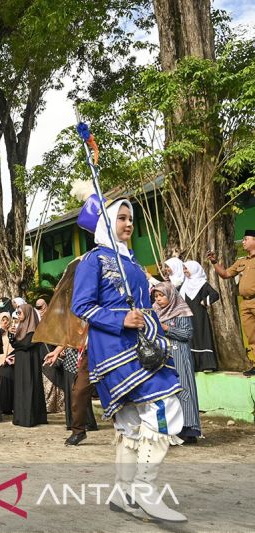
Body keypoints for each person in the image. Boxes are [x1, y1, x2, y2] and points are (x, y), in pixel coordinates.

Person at [72, 192, 186, 522]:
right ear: (107, 223)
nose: (128, 224)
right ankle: (144, 489)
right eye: (121, 218)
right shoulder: (93, 260)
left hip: (142, 344)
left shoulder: (133, 261)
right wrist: (119, 319)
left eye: (130, 219)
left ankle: (124, 494)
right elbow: (82, 306)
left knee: (131, 422)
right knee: (164, 405)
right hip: (114, 350)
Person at [152, 282, 201, 443]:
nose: (158, 299)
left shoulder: (181, 310)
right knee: (166, 393)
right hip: (162, 356)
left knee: (183, 389)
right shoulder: (155, 312)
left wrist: (166, 328)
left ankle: (188, 429)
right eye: (156, 296)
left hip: (179, 354)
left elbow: (187, 334)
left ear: (171, 295)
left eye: (161, 295)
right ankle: (170, 429)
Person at [208, 235, 255, 376]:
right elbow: (226, 274)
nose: (244, 241)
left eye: (246, 239)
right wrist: (215, 262)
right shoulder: (241, 262)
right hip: (245, 303)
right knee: (251, 336)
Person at [10, 303, 47, 427]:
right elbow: (15, 344)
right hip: (21, 361)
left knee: (30, 385)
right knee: (20, 387)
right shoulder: (20, 327)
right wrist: (12, 336)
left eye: (20, 313)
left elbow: (27, 345)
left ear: (28, 313)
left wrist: (17, 344)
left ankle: (30, 417)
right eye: (18, 313)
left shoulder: (34, 328)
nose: (18, 315)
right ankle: (20, 416)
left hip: (30, 361)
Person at [179, 260, 219, 372]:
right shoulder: (184, 285)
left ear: (194, 269)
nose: (184, 271)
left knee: (202, 336)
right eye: (183, 269)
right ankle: (194, 365)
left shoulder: (202, 283)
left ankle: (207, 365)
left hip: (200, 315)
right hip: (187, 316)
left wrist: (205, 301)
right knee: (191, 337)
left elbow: (215, 294)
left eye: (186, 268)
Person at [0, 312, 14, 415]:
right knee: (1, 384)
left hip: (10, 361)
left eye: (7, 320)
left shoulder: (12, 332)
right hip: (0, 362)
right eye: (3, 320)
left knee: (9, 384)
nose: (5, 322)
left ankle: (9, 407)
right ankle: (2, 407)